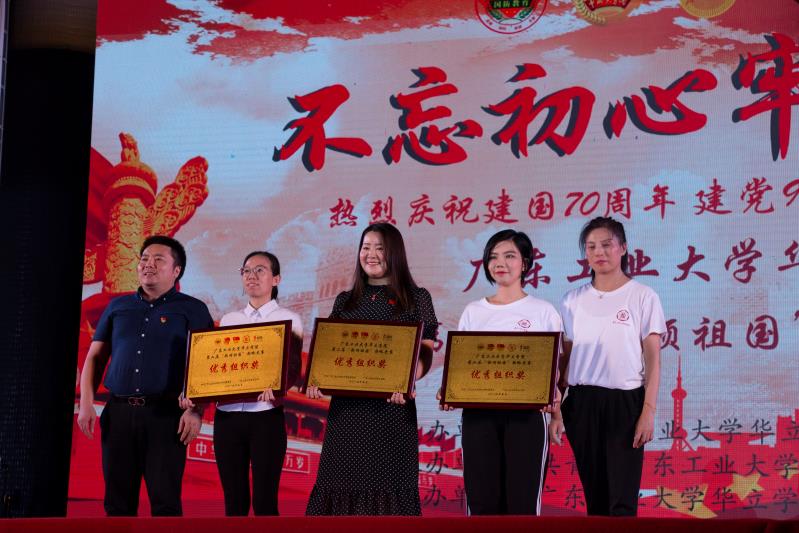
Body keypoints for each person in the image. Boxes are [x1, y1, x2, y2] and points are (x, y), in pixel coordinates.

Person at [305, 222, 438, 515]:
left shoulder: (417, 298)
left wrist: (407, 380)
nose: (371, 254)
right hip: (346, 414)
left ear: (395, 253)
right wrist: (317, 379)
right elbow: (329, 350)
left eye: (380, 248)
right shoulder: (345, 300)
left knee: (387, 491)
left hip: (391, 411)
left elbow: (426, 350)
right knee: (339, 487)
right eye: (366, 247)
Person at [77, 235, 213, 516]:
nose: (148, 264)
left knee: (165, 503)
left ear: (176, 271)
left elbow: (206, 363)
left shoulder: (193, 309)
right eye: (144, 259)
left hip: (166, 416)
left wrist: (196, 409)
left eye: (158, 259)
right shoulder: (118, 307)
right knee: (117, 503)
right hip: (118, 413)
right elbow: (95, 357)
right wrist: (86, 404)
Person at [549, 217, 665, 516]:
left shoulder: (643, 296)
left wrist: (648, 412)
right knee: (596, 499)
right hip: (582, 403)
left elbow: (653, 359)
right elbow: (564, 360)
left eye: (606, 245)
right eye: (591, 247)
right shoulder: (571, 300)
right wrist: (556, 410)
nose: (599, 252)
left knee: (622, 500)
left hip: (625, 403)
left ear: (622, 248)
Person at [444, 229, 562, 515]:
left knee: (523, 505)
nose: (500, 263)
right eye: (493, 257)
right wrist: (448, 389)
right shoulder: (473, 311)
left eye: (509, 256)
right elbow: (462, 365)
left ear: (525, 263)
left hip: (527, 418)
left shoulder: (543, 311)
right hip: (479, 416)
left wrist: (557, 414)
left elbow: (554, 371)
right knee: (482, 504)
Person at [181, 251, 303, 516]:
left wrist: (278, 386)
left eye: (260, 270)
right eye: (246, 270)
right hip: (228, 418)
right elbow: (214, 367)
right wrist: (195, 394)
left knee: (265, 502)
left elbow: (293, 366)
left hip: (266, 417)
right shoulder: (229, 320)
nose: (251, 276)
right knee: (234, 502)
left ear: (276, 279)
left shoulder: (290, 319)